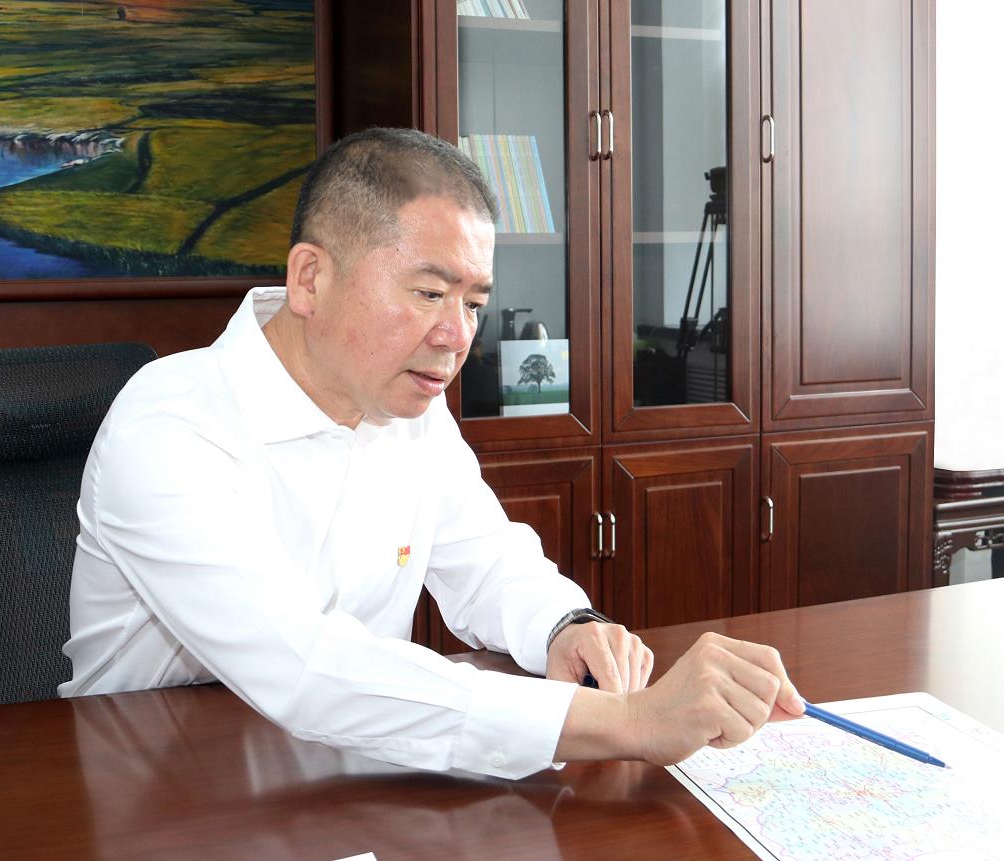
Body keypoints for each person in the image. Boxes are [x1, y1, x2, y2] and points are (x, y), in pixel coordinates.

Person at [60, 127, 804, 779]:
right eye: (427, 294)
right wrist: (629, 723)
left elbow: (486, 561)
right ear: (311, 279)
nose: (457, 337)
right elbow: (306, 669)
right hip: (162, 784)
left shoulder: (405, 403)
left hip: (350, 774)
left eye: (473, 303)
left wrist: (565, 624)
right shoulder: (170, 426)